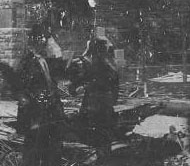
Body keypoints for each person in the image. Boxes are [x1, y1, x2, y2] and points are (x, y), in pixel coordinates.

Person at [17, 24, 65, 166]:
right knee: (33, 153)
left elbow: (54, 77)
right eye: (46, 40)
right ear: (37, 41)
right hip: (35, 116)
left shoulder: (42, 60)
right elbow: (23, 89)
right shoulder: (28, 62)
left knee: (47, 151)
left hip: (47, 115)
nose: (48, 44)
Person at [76, 37, 119, 159]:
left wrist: (83, 86)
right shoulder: (110, 62)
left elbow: (92, 79)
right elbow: (115, 86)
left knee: (98, 133)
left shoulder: (97, 62)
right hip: (106, 103)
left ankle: (101, 157)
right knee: (104, 134)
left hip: (96, 103)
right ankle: (104, 156)